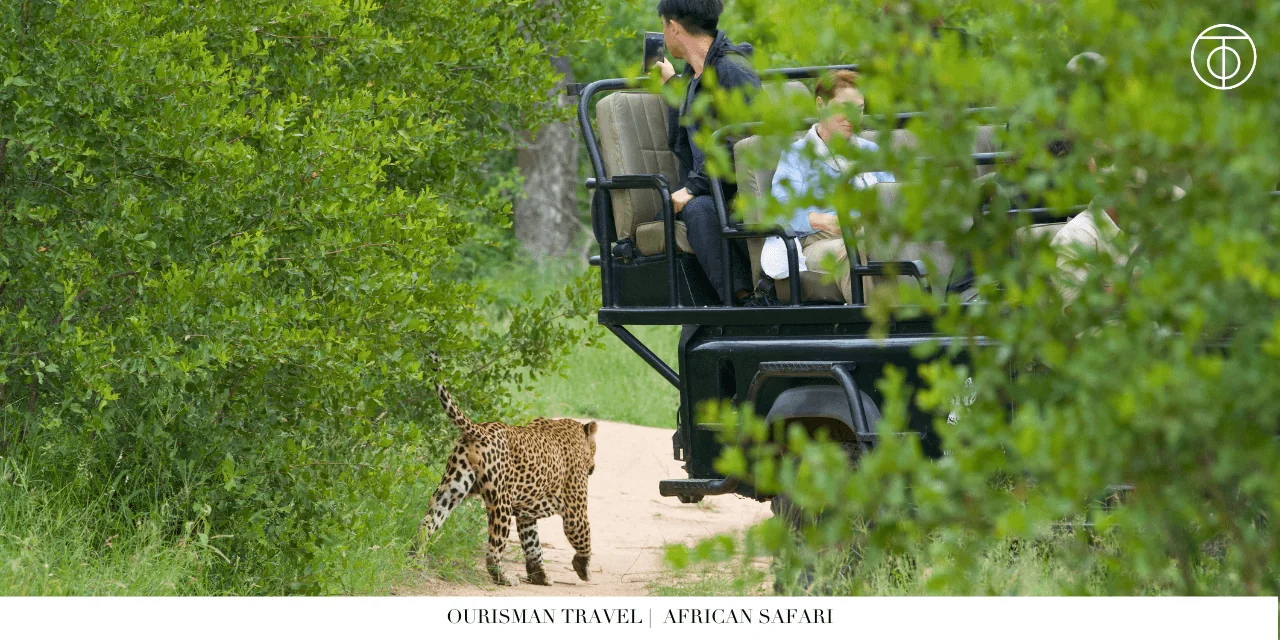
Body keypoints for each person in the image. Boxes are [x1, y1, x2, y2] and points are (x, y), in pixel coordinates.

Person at [653, 0, 761, 304]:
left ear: (673, 27)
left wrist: (692, 188)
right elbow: (700, 115)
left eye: (664, 27)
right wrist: (672, 84)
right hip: (712, 188)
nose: (664, 34)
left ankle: (743, 303)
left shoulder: (733, 71)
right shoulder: (695, 75)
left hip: (738, 188)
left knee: (698, 210)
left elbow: (745, 135)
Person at [763, 70, 894, 304]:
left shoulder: (870, 152)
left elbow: (892, 197)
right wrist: (825, 221)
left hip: (870, 233)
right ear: (821, 105)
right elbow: (782, 210)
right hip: (817, 241)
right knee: (853, 249)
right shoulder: (797, 155)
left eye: (860, 109)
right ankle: (873, 326)